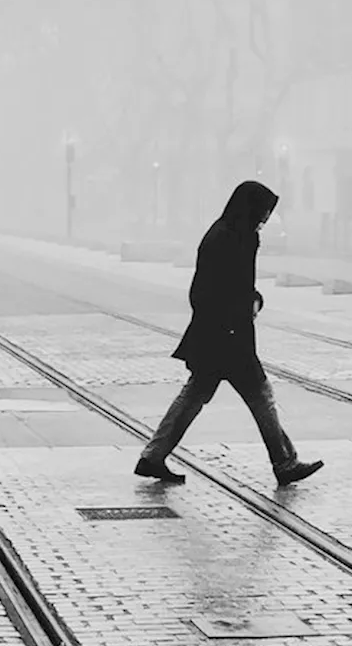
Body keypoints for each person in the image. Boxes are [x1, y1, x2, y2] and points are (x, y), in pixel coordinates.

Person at [135, 180, 324, 486]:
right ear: (249, 209)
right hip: (227, 338)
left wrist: (251, 299)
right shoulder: (228, 239)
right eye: (262, 212)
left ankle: (153, 457)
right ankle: (284, 462)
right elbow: (208, 290)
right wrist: (234, 320)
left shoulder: (234, 235)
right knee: (260, 397)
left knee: (195, 397)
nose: (264, 219)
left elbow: (235, 284)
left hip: (220, 337)